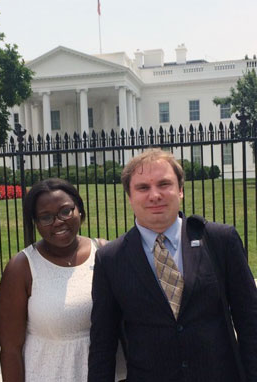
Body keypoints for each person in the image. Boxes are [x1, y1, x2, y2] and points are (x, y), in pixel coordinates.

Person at [88, 148, 257, 382]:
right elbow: (102, 343)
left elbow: (250, 321)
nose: (155, 195)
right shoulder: (110, 259)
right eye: (143, 188)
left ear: (180, 190)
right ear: (129, 197)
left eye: (164, 184)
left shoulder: (220, 240)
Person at [0, 178, 125, 381]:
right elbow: (10, 348)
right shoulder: (22, 268)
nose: (58, 221)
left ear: (79, 211)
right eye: (45, 217)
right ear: (36, 223)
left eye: (66, 211)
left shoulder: (105, 254)